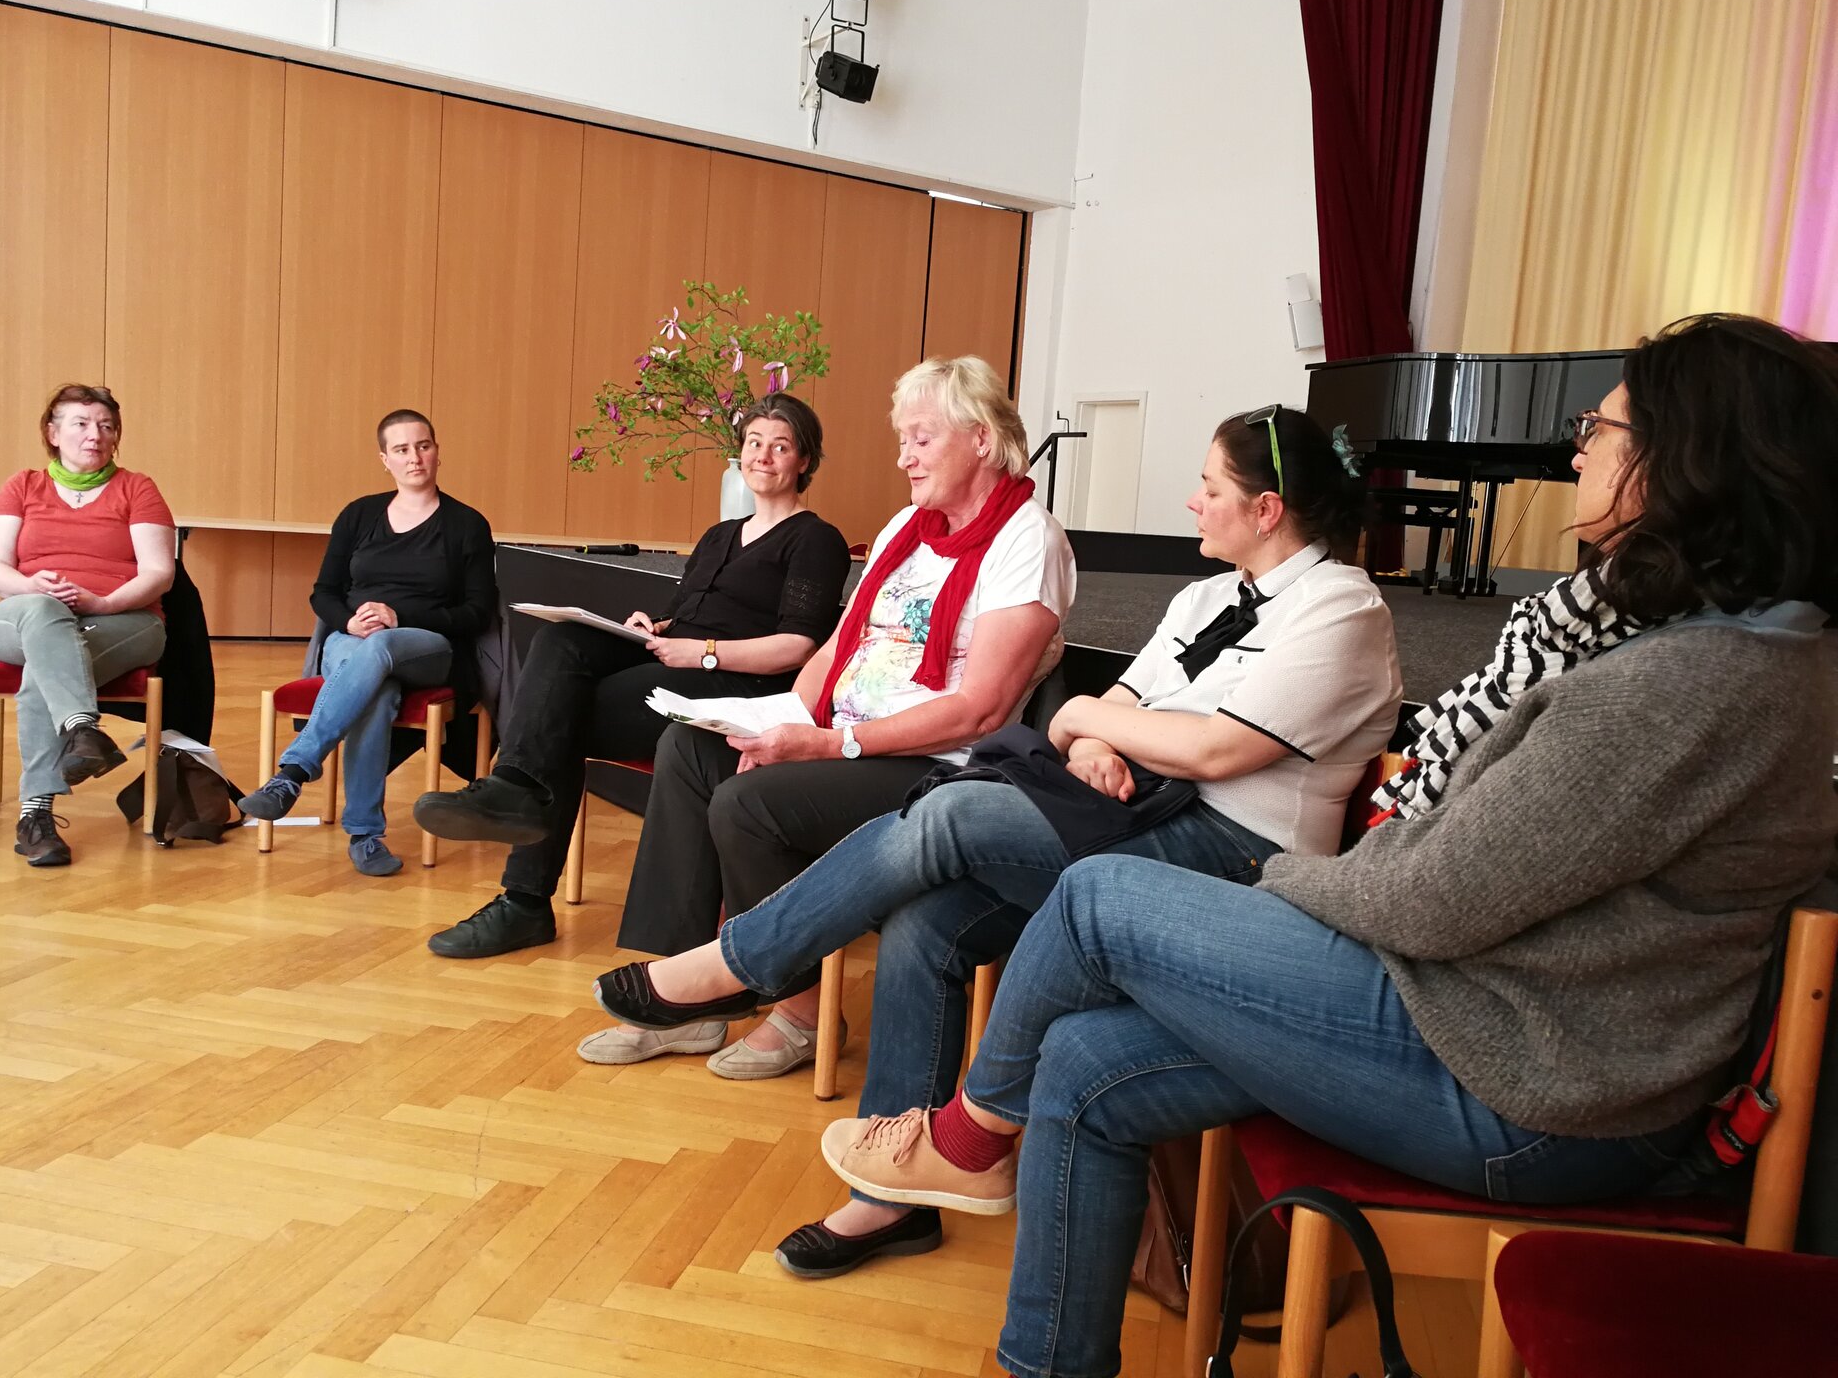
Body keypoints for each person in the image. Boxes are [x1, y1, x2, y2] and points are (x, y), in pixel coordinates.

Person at [812, 313, 1838, 1378]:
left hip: (1534, 1089)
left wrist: (1285, 880)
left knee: (1093, 897)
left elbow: (1436, 898)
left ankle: (969, 1140)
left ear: (1690, 461)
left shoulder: (1682, 689)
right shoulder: (1716, 650)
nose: (1579, 447)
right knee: (1077, 1057)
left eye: (1604, 426)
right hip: (1500, 1016)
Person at [595, 407, 1405, 1275]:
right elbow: (1119, 711)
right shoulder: (1206, 595)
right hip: (1140, 814)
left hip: (1239, 857)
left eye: (1209, 488)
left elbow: (1216, 749)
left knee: (950, 811)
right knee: (927, 918)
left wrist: (1094, 719)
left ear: (1268, 509)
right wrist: (1095, 735)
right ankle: (892, 1197)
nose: (1192, 502)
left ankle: (737, 964)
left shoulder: (1342, 610)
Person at [585, 355, 1077, 1072]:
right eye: (901, 439)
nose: (903, 457)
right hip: (846, 734)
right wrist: (781, 722)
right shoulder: (908, 525)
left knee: (750, 805)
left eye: (920, 438)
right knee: (689, 752)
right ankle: (685, 996)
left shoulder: (1028, 540)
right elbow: (839, 648)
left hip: (936, 767)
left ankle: (802, 1011)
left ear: (978, 438)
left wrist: (824, 745)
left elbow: (980, 710)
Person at [417, 394, 851, 957]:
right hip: (678, 656)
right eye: (753, 443)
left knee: (560, 719)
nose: (763, 456)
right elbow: (695, 612)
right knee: (561, 637)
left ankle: (523, 895)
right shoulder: (721, 535)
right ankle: (517, 790)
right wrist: (658, 624)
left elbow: (799, 647)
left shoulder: (816, 538)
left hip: (735, 684)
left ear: (804, 462)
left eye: (781, 446)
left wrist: (704, 652)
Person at [238, 409, 497, 878]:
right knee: (375, 690)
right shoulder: (358, 515)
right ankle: (365, 835)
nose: (414, 458)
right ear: (384, 459)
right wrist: (351, 623)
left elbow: (477, 612)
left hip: (427, 645)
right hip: (352, 637)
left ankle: (293, 772)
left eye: (423, 446)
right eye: (401, 449)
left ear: (437, 451)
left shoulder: (467, 524)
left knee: (379, 651)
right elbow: (324, 592)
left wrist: (400, 617)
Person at [0, 384, 176, 868]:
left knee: (43, 669)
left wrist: (103, 602)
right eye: (82, 424)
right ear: (53, 432)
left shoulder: (138, 488)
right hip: (21, 616)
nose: (96, 435)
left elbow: (158, 573)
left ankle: (36, 816)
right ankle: (83, 728)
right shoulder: (22, 485)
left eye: (106, 426)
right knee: (45, 616)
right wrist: (29, 585)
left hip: (121, 619)